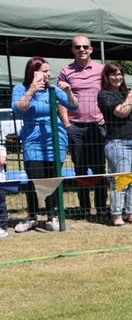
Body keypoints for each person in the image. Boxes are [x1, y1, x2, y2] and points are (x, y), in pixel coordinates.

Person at [11, 57, 78, 233]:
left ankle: (51, 215)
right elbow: (18, 109)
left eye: (49, 71)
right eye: (45, 71)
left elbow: (74, 106)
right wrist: (32, 90)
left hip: (55, 139)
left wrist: (70, 92)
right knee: (35, 177)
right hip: (32, 139)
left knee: (53, 178)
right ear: (33, 72)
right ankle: (32, 216)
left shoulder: (53, 90)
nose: (49, 74)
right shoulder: (20, 89)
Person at [59, 35, 107, 219]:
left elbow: (109, 94)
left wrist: (106, 117)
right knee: (80, 168)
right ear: (72, 49)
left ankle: (101, 207)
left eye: (85, 46)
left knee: (99, 168)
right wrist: (67, 124)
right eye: (77, 47)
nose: (82, 50)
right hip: (76, 126)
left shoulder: (101, 70)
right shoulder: (66, 71)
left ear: (91, 49)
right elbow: (61, 100)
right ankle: (84, 208)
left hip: (97, 126)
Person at [98, 62, 132, 226]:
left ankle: (131, 213)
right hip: (119, 142)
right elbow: (122, 112)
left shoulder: (127, 94)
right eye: (113, 74)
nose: (117, 77)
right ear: (106, 76)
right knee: (121, 180)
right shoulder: (104, 95)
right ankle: (116, 214)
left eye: (119, 74)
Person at [0, 144, 8, 237]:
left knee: (1, 205)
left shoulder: (1, 148)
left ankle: (3, 228)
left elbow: (2, 161)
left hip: (0, 182)